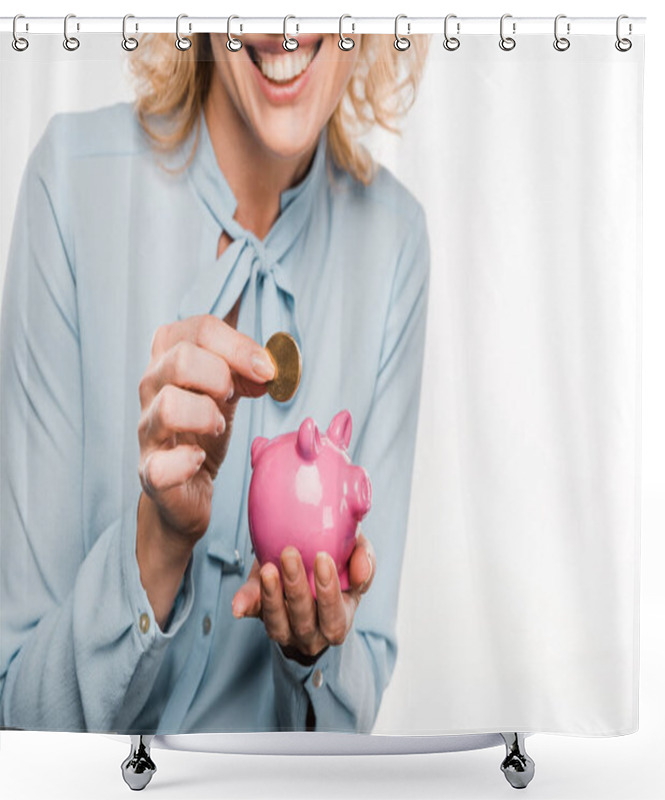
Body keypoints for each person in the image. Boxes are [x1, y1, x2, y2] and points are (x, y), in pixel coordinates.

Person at [0, 31, 430, 734]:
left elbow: (356, 716)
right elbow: (17, 715)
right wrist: (156, 544)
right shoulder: (70, 181)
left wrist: (313, 648)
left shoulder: (396, 243)